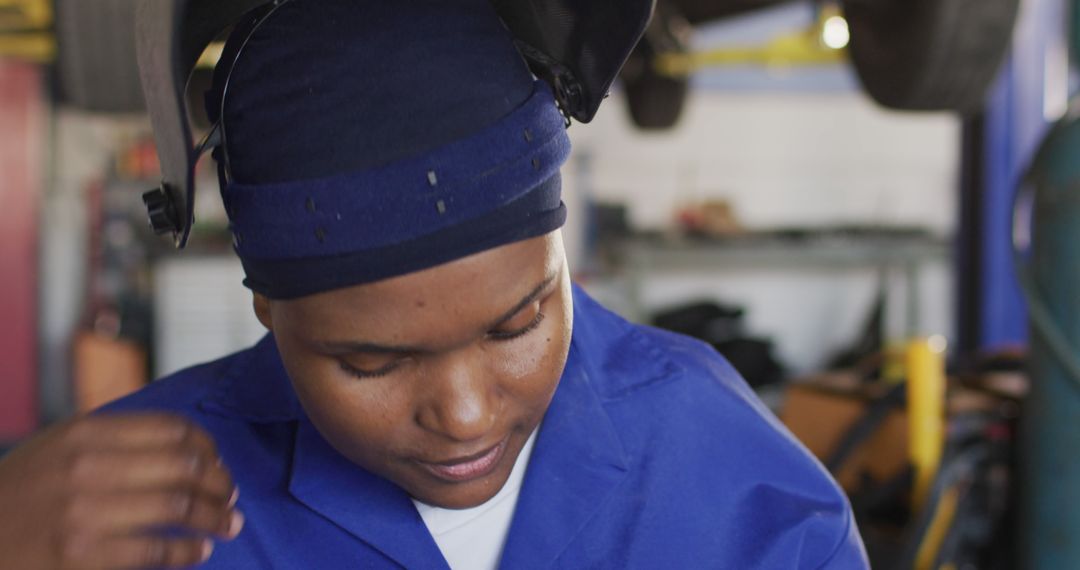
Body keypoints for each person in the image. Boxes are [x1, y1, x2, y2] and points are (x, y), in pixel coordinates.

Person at [0, 1, 869, 568]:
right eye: (371, 363)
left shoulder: (744, 489)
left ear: (562, 260)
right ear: (267, 307)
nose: (463, 413)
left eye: (518, 323)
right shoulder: (108, 515)